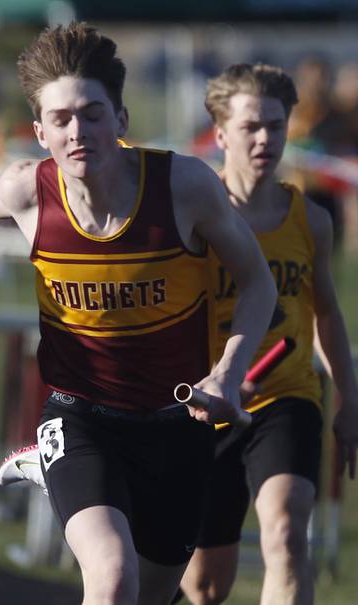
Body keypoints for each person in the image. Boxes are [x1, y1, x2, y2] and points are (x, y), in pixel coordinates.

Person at [0, 23, 276, 605]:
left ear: (121, 120)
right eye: (60, 119)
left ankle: (45, 468)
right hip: (82, 416)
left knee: (151, 594)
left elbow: (258, 283)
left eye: (92, 114)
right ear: (40, 131)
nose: (77, 131)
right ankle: (55, 457)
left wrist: (229, 373)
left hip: (176, 426)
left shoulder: (183, 187)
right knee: (111, 580)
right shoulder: (29, 193)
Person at [175, 63, 358, 605]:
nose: (265, 139)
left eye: (276, 126)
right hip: (207, 405)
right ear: (222, 133)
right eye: (251, 126)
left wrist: (349, 397)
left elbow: (327, 313)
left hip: (288, 398)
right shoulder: (192, 220)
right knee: (205, 586)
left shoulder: (311, 221)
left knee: (285, 532)